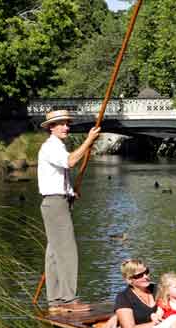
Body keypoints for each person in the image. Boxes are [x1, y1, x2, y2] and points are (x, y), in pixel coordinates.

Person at [38, 109, 101, 313]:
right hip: (55, 204)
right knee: (67, 252)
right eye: (61, 124)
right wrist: (88, 140)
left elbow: (57, 177)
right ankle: (69, 299)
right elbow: (71, 162)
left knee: (54, 253)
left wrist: (70, 192)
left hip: (58, 201)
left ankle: (55, 302)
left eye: (67, 124)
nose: (66, 127)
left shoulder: (56, 146)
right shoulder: (51, 147)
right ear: (51, 127)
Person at [103, 259, 176, 328]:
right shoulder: (124, 297)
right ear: (129, 279)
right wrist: (156, 323)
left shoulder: (157, 289)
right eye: (139, 275)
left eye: (146, 272)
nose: (145, 277)